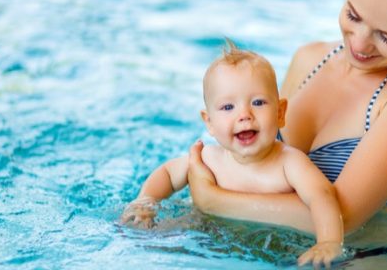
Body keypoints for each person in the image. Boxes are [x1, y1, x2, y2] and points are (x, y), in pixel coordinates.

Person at [186, 0, 387, 238]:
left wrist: (213, 200)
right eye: (353, 15)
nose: (360, 43)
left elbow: (343, 218)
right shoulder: (308, 59)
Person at [120, 40, 344, 267]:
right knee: (148, 239)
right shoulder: (209, 159)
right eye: (228, 107)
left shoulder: (290, 163)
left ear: (280, 112)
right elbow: (167, 173)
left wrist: (329, 242)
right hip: (202, 234)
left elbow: (322, 196)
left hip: (269, 249)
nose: (244, 115)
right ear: (210, 122)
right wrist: (144, 202)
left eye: (258, 102)